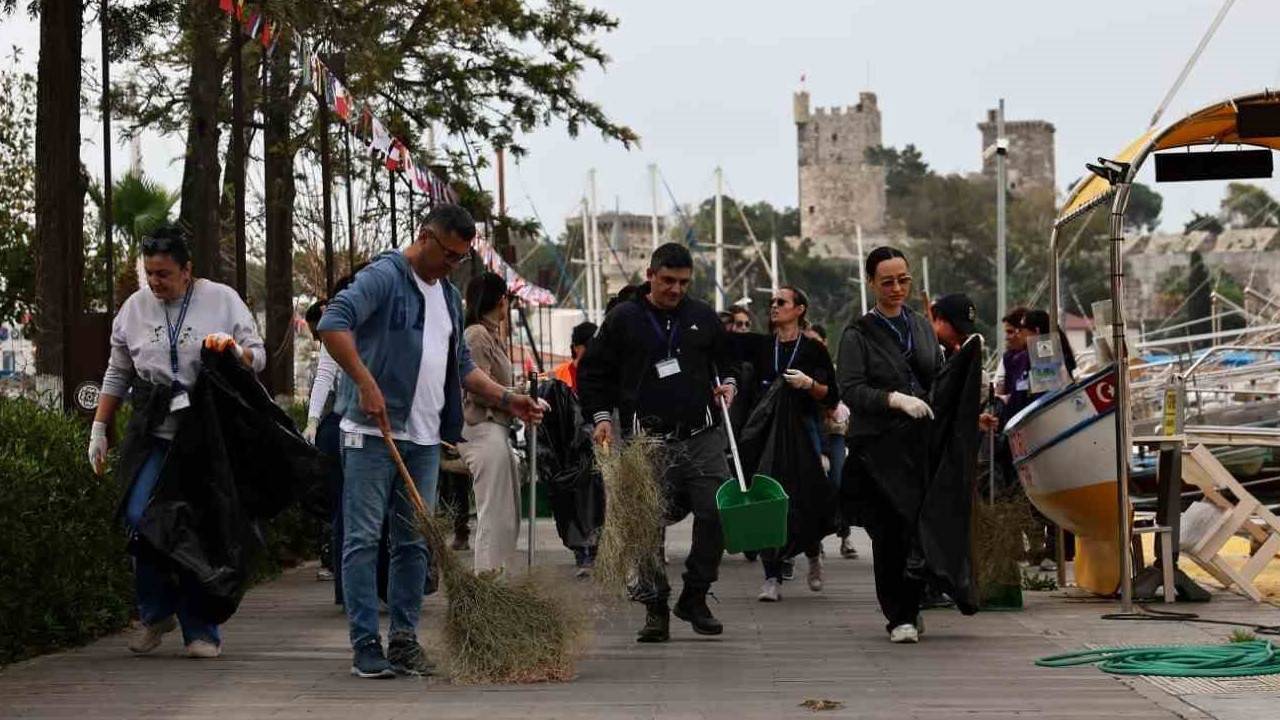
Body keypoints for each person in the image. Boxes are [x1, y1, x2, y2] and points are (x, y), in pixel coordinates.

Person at [317, 204, 545, 679]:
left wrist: (510, 399)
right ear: (424, 236)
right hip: (369, 431)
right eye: (448, 254)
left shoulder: (444, 296)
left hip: (423, 437)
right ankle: (365, 644)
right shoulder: (385, 275)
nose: (453, 265)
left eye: (462, 258)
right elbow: (331, 323)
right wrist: (364, 381)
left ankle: (403, 640)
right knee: (361, 539)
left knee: (414, 542)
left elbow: (461, 367)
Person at [88, 225, 265, 659]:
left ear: (188, 270)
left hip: (206, 434)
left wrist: (233, 351)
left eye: (164, 274)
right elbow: (118, 370)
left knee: (197, 528)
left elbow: (256, 356)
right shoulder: (133, 309)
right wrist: (99, 427)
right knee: (140, 516)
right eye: (149, 273)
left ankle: (200, 627)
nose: (155, 282)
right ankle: (155, 612)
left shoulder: (221, 300)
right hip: (152, 431)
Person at [578, 242, 739, 643]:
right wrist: (600, 418)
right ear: (650, 275)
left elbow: (730, 359)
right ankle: (655, 608)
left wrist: (730, 384)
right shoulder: (624, 319)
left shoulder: (702, 316)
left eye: (683, 282)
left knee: (717, 512)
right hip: (646, 443)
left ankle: (695, 596)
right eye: (667, 280)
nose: (675, 289)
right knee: (646, 527)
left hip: (701, 436)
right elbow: (594, 372)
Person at [836, 246, 943, 644]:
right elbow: (850, 389)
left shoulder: (921, 326)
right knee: (889, 533)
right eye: (887, 282)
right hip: (878, 449)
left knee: (919, 528)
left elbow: (938, 376)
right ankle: (898, 614)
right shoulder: (856, 334)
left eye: (903, 280)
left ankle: (914, 603)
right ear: (871, 283)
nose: (897, 288)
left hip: (918, 446)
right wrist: (894, 400)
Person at [730, 286, 838, 602]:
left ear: (800, 309)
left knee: (806, 500)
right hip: (765, 437)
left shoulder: (814, 350)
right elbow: (724, 344)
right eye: (772, 302)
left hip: (804, 435)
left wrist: (809, 384)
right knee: (765, 500)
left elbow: (831, 395)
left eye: (781, 302)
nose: (774, 306)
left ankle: (814, 554)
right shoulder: (763, 346)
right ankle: (771, 577)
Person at [459, 272, 522, 574]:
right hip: (481, 428)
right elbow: (477, 386)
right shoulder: (476, 335)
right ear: (501, 301)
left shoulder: (491, 334)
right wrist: (513, 398)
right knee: (493, 513)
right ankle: (487, 581)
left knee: (506, 515)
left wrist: (519, 395)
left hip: (498, 428)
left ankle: (499, 579)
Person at [812, 324, 857, 560]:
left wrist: (836, 409)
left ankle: (845, 533)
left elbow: (847, 399)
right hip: (812, 434)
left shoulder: (837, 371)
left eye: (818, 341)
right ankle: (815, 539)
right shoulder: (801, 372)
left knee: (839, 481)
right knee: (817, 484)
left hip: (836, 434)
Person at [552, 321, 597, 393]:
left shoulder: (602, 374)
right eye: (589, 345)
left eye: (597, 345)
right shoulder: (559, 375)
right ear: (576, 347)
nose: (593, 349)